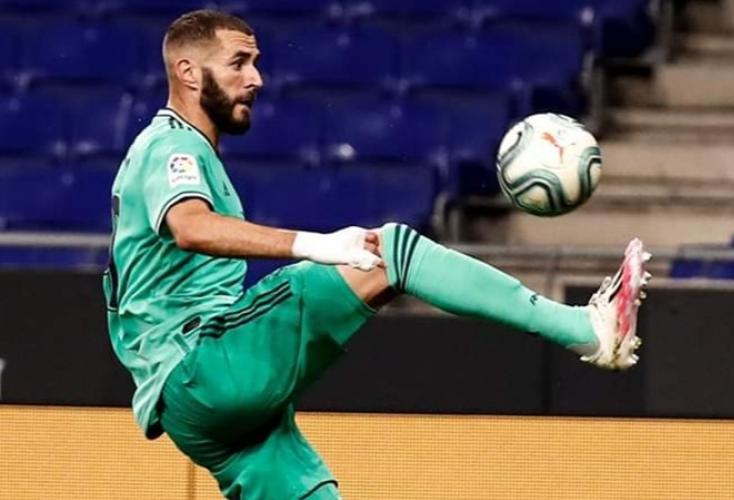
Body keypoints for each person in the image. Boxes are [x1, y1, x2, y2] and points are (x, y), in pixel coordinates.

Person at [103, 9, 650, 500]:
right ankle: (585, 329)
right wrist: (313, 245)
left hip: (193, 411)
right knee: (390, 252)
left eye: (257, 63)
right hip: (201, 365)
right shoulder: (172, 145)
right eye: (238, 63)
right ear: (188, 72)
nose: (256, 79)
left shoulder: (179, 149)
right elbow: (191, 227)